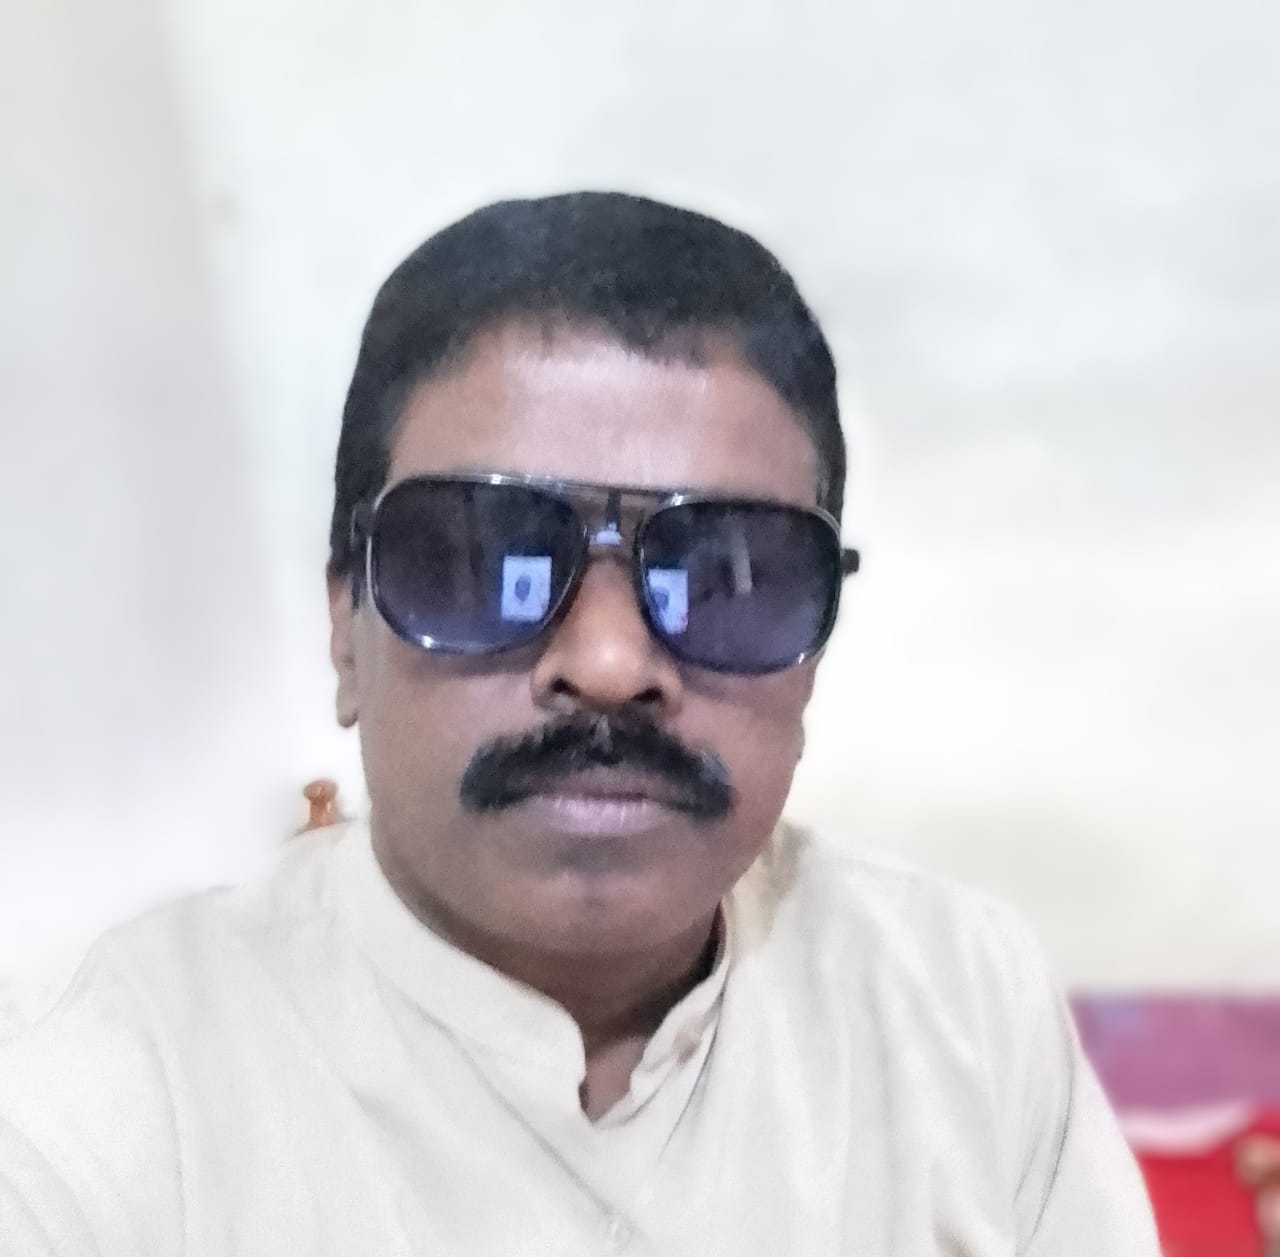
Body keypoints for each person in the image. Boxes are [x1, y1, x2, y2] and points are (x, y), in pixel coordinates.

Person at [0, 192, 1159, 1255]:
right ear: (345, 627)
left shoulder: (958, 1014)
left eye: (724, 574)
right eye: (485, 561)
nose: (607, 665)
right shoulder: (101, 1112)